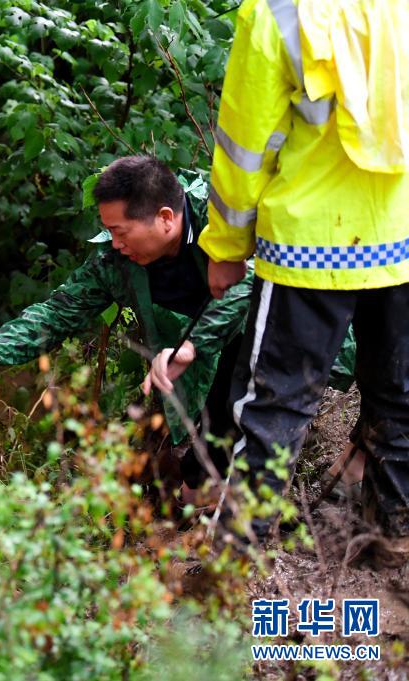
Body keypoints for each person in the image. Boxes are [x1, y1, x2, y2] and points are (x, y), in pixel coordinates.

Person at [0, 155, 355, 493]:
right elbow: (59, 311)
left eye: (120, 232)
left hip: (278, 338)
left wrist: (191, 347)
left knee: (249, 428)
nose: (116, 243)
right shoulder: (117, 261)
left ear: (165, 218)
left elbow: (248, 281)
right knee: (197, 475)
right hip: (193, 363)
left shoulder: (222, 216)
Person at [200, 0, 409, 543]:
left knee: (274, 404)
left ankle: (235, 558)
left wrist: (225, 245)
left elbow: (245, 147)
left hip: (309, 249)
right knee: (402, 395)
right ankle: (396, 537)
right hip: (403, 239)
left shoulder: (276, 10)